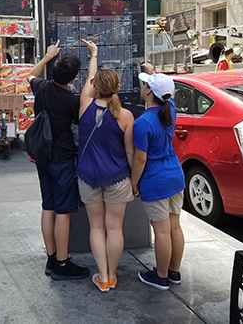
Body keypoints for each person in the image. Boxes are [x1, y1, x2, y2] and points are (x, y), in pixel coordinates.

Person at [26, 40, 89, 281]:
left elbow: (29, 75)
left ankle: (51, 257)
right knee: (63, 211)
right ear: (72, 78)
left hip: (42, 156)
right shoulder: (71, 101)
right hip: (62, 158)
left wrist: (47, 56)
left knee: (48, 206)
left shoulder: (41, 87)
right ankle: (62, 263)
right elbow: (86, 99)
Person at [76, 40, 134, 292]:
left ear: (95, 88)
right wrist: (135, 179)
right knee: (115, 228)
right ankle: (112, 274)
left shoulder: (85, 106)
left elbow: (90, 79)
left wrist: (94, 56)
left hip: (88, 178)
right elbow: (130, 151)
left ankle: (102, 276)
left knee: (96, 227)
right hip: (118, 178)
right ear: (118, 87)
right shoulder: (126, 116)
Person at [131, 66, 185, 291]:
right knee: (174, 227)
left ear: (148, 91)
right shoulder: (169, 108)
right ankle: (174, 272)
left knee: (161, 231)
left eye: (146, 84)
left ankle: (161, 276)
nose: (142, 86)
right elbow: (166, 97)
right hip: (175, 175)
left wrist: (134, 183)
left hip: (155, 179)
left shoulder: (142, 123)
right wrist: (153, 72)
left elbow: (140, 160)